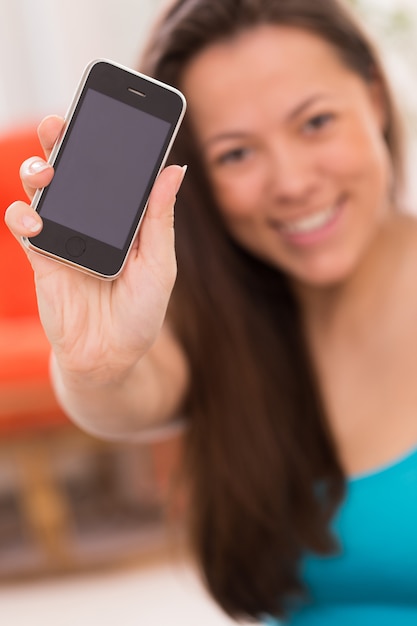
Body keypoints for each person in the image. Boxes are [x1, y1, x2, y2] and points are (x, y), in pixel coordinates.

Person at [5, 0, 417, 623]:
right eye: (235, 155)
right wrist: (92, 363)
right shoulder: (226, 323)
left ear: (376, 101)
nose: (291, 181)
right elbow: (125, 397)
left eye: (315, 123)